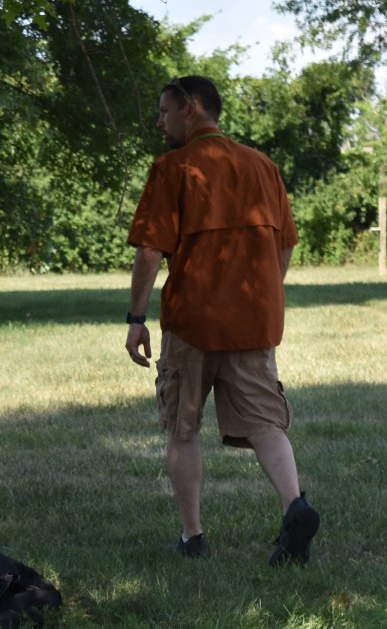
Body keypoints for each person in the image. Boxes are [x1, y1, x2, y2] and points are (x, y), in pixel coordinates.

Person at [125, 74, 320, 563]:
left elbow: (149, 252)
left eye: (165, 111)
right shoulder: (263, 167)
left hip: (192, 322)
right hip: (253, 323)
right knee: (266, 424)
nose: (160, 121)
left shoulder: (173, 168)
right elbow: (286, 245)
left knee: (182, 428)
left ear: (190, 109)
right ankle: (294, 506)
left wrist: (136, 316)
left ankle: (193, 537)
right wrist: (266, 295)